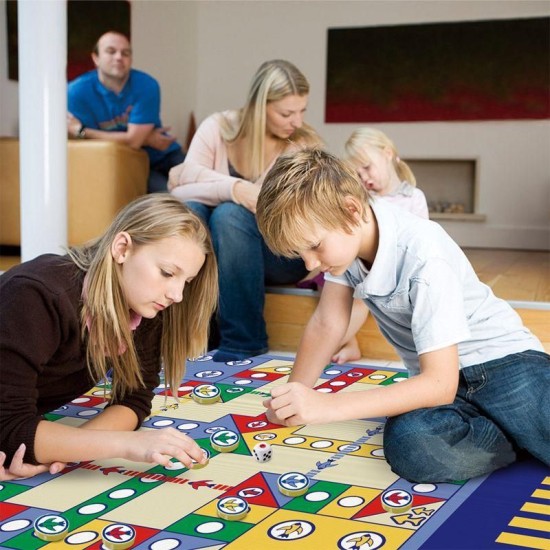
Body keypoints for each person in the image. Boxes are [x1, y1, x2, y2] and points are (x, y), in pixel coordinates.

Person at [255, 148, 549, 483]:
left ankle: (523, 427)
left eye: (315, 246)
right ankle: (517, 434)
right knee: (412, 446)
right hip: (445, 384)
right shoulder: (344, 248)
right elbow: (327, 323)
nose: (309, 264)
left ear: (351, 211)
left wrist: (326, 406)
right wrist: (296, 397)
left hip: (506, 365)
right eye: (299, 252)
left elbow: (438, 385)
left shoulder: (423, 253)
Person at [0, 194, 217, 481]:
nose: (176, 295)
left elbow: (134, 400)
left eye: (185, 282)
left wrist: (68, 449)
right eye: (167, 273)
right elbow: (9, 428)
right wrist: (128, 444)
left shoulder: (144, 303)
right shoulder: (35, 296)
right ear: (122, 248)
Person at [168, 59, 323, 363]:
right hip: (221, 246)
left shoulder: (299, 144)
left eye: (301, 111)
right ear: (259, 106)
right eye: (286, 113)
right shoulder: (218, 127)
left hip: (283, 251)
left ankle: (244, 342)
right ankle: (188, 335)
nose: (297, 121)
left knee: (230, 216)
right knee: (190, 210)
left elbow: (287, 218)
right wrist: (235, 189)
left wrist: (219, 192)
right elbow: (178, 187)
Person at [332, 127, 429, 364]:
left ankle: (332, 343)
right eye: (358, 173)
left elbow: (423, 242)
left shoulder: (413, 197)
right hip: (365, 267)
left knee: (362, 296)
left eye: (366, 167)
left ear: (387, 153)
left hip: (396, 271)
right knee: (341, 286)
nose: (364, 177)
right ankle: (349, 342)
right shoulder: (365, 199)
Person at [67, 31, 186, 193]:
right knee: (172, 201)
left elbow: (133, 141)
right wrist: (146, 139)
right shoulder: (76, 92)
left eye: (125, 53)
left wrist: (82, 131)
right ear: (96, 58)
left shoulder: (146, 85)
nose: (118, 57)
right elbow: (94, 149)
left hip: (164, 152)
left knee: (204, 190)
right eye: (111, 51)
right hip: (127, 163)